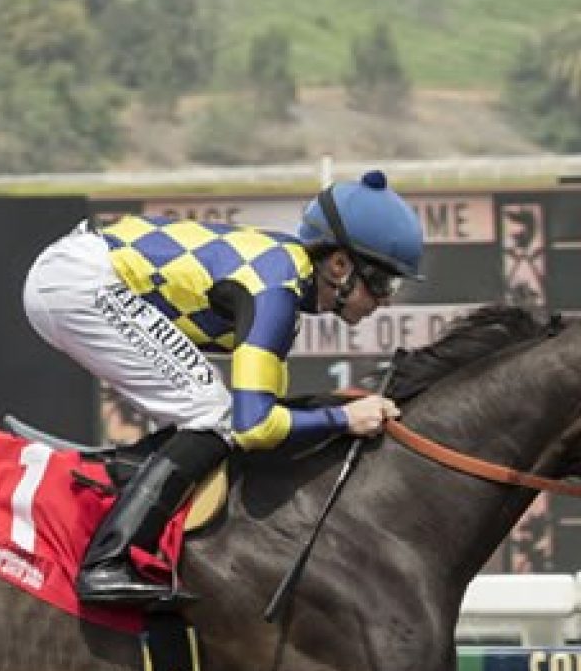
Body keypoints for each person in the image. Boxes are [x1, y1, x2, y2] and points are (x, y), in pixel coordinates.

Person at [23, 169, 425, 606]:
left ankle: (120, 480)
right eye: (383, 282)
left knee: (210, 411)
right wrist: (343, 417)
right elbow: (254, 427)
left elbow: (259, 416)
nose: (385, 300)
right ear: (340, 265)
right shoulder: (275, 287)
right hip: (81, 282)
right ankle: (107, 561)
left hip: (76, 275)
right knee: (212, 410)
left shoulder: (285, 277)